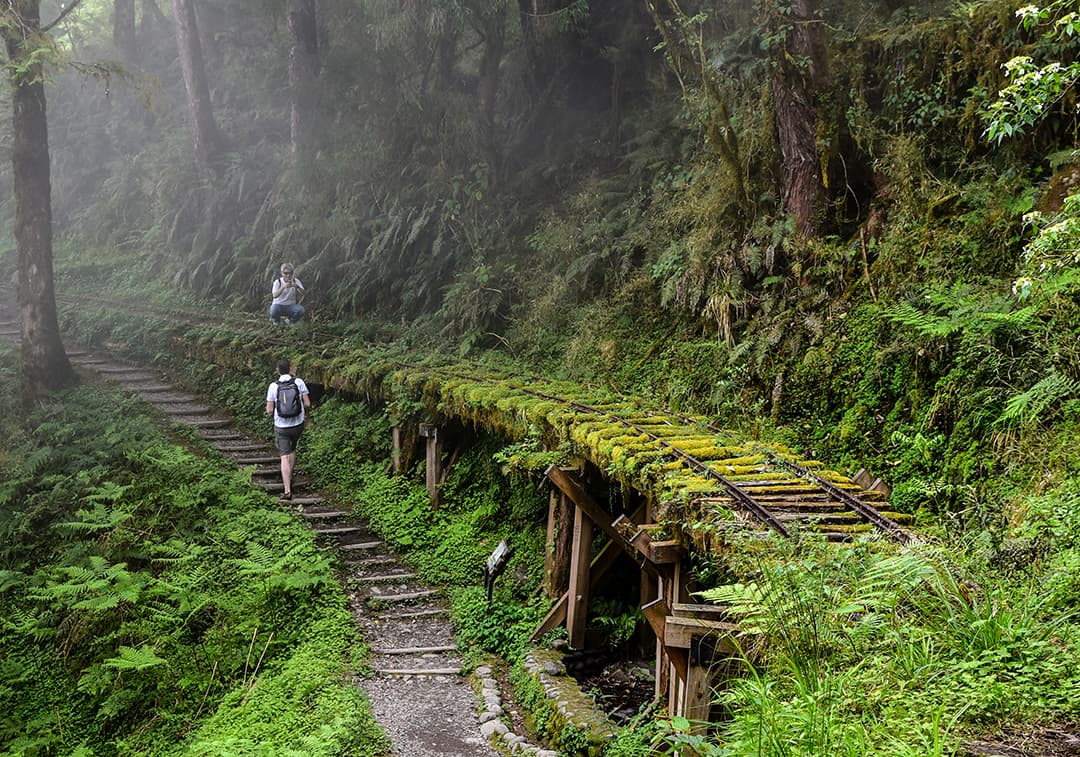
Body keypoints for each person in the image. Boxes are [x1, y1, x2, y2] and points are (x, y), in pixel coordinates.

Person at [265, 358, 312, 501]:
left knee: (284, 456)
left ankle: (287, 490)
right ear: (290, 369)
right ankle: (290, 477)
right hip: (297, 424)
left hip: (281, 426)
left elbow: (269, 410)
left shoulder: (273, 386)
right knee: (292, 450)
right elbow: (308, 403)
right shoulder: (299, 382)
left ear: (278, 370)